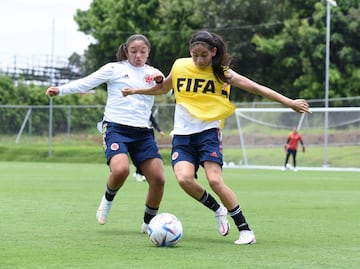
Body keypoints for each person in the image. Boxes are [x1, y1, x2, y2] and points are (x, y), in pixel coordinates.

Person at [122, 30, 311, 245]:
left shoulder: (222, 73)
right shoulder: (180, 66)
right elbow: (164, 88)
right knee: (184, 179)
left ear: (213, 52)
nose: (199, 60)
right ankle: (217, 208)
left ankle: (246, 230)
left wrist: (290, 103)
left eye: (204, 55)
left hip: (208, 134)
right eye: (195, 55)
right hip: (183, 136)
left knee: (214, 180)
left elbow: (257, 88)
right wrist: (136, 90)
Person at [45, 34, 166, 233]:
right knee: (121, 170)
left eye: (142, 51)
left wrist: (160, 82)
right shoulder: (115, 68)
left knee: (159, 179)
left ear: (148, 52)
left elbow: (167, 91)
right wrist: (60, 90)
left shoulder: (154, 73)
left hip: (143, 133)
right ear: (126, 51)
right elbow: (87, 82)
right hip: (116, 128)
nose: (138, 55)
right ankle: (107, 202)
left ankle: (148, 225)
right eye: (133, 51)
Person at [133, 113, 164, 182]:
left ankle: (140, 173)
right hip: (138, 136)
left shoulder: (148, 112)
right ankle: (138, 173)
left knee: (148, 155)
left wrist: (160, 131)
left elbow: (154, 123)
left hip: (147, 136)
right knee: (140, 156)